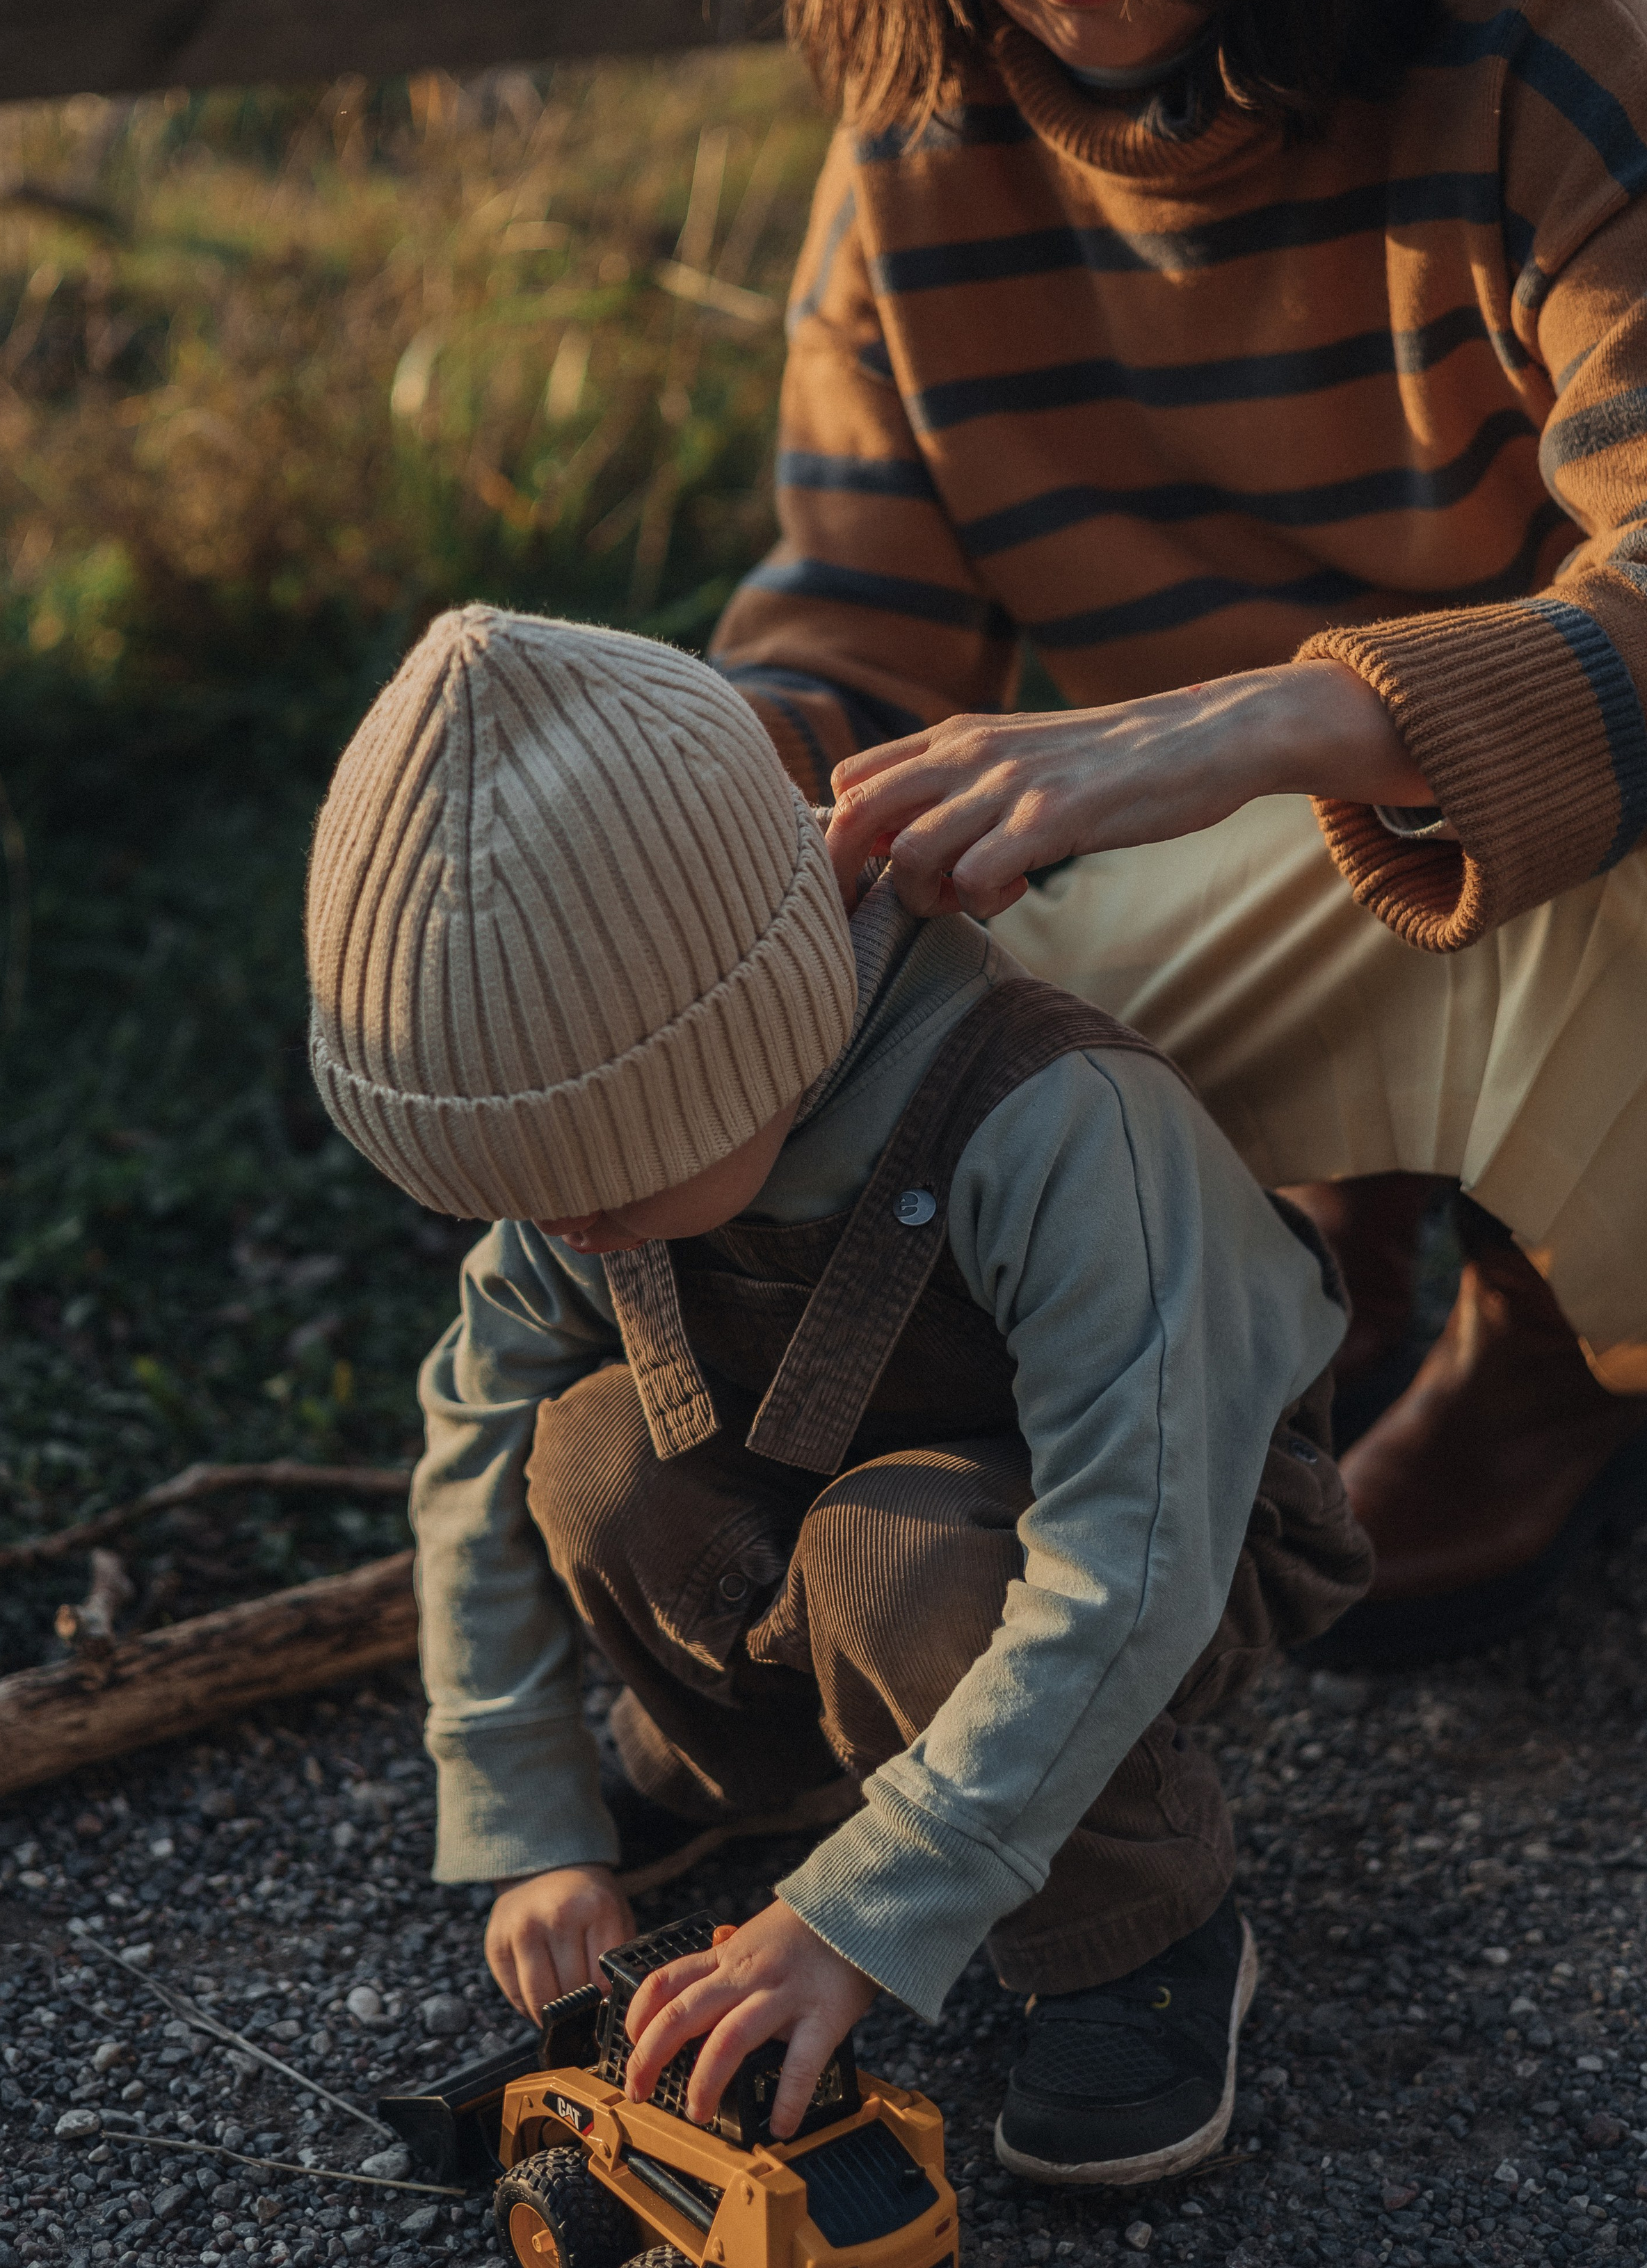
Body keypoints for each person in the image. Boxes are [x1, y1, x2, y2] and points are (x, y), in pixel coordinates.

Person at [304, 604, 1369, 2185]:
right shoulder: (601, 1170)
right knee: (585, 1448)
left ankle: (1130, 1921)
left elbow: (1130, 1554)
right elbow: (474, 1442)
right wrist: (528, 1813)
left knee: (899, 1559)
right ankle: (780, 1760)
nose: (566, 1230)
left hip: (1164, 1544)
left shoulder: (1058, 1128)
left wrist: (862, 1915)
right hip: (839, 1489)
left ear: (758, 1035)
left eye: (604, 1181)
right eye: (524, 1200)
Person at [708, 0, 1647, 1664]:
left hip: (1572, 852)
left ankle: (1553, 1339)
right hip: (1227, 850)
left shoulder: (1533, 6)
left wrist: (1251, 723)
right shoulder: (922, 117)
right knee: (890, 1107)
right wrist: (676, 775)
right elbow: (858, 629)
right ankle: (1306, 1254)